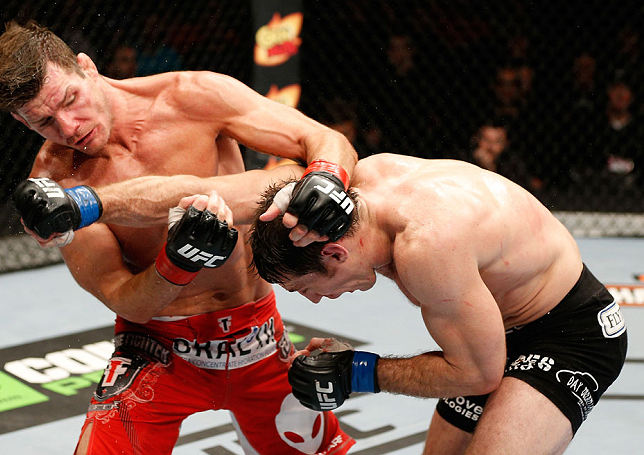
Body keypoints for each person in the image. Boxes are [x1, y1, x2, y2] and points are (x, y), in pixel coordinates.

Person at [0, 20, 358, 454]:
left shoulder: (192, 96)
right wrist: (178, 262)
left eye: (70, 100)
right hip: (155, 350)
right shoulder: (56, 186)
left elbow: (323, 138)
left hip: (260, 338)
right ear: (20, 120)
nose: (68, 127)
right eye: (44, 121)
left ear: (86, 67)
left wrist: (327, 177)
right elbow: (121, 297)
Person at [248, 153, 627, 454]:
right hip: (492, 332)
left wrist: (356, 371)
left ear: (334, 254)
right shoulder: (363, 182)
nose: (315, 301)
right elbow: (317, 152)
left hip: (569, 334)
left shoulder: (425, 246)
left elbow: (478, 374)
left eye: (306, 288)